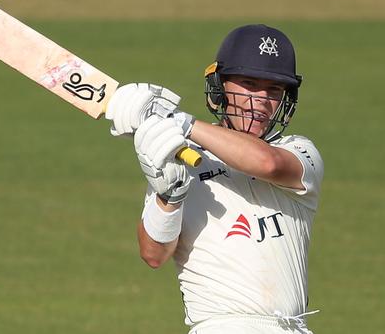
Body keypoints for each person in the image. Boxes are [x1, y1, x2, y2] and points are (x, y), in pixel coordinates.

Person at [105, 24, 324, 334]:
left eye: (274, 90)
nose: (261, 99)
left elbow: (267, 163)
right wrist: (169, 196)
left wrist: (180, 121)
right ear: (220, 88)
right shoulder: (178, 156)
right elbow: (154, 254)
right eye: (249, 84)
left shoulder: (298, 151)